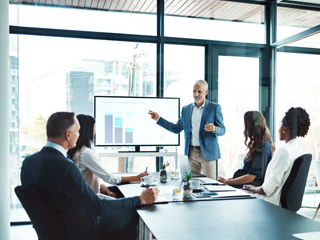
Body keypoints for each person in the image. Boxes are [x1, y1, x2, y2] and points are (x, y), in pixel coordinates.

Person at [21, 112, 159, 240]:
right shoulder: (66, 166)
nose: (79, 134)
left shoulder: (28, 162)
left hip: (54, 232)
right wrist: (140, 199)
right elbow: (98, 207)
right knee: (133, 211)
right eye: (78, 131)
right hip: (81, 231)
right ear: (68, 135)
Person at [148, 79, 225, 179]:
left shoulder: (214, 108)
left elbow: (222, 130)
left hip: (208, 153)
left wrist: (214, 128)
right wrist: (158, 119)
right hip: (191, 153)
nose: (196, 94)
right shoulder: (186, 109)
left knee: (210, 185)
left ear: (206, 92)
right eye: (194, 91)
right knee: (191, 184)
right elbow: (176, 128)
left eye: (199, 91)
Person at [67, 114, 148, 198]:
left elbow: (87, 176)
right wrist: (136, 178)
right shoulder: (86, 153)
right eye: (95, 127)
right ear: (88, 129)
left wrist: (102, 186)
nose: (95, 130)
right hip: (90, 200)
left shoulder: (75, 151)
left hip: (86, 195)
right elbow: (109, 178)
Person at [243, 107, 310, 206]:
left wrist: (252, 188)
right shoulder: (299, 150)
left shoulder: (284, 152)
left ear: (284, 129)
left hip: (270, 203)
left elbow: (267, 189)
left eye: (280, 125)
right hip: (281, 204)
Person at [217, 111, 275, 188]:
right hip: (244, 184)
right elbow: (247, 172)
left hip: (249, 186)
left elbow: (252, 176)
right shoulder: (258, 144)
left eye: (246, 124)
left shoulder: (263, 147)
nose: (245, 128)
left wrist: (227, 182)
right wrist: (227, 180)